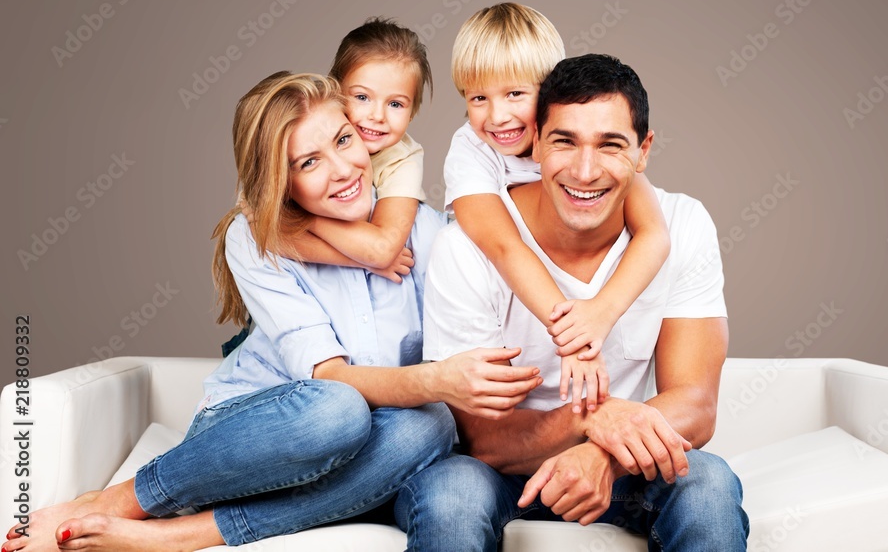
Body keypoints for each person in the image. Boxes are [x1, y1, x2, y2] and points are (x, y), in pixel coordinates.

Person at [4, 72, 542, 552]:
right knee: (339, 409)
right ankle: (122, 501)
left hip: (389, 453)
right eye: (309, 163)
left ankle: (194, 533)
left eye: (343, 140)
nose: (343, 170)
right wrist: (438, 379)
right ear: (280, 181)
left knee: (439, 441)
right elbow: (333, 380)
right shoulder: (258, 239)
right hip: (267, 438)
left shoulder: (429, 233)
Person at [396, 55, 749, 551]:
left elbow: (696, 404)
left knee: (706, 484)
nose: (585, 171)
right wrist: (585, 419)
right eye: (564, 141)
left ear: (643, 151)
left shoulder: (683, 224)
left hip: (623, 467)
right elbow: (482, 441)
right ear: (535, 142)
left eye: (611, 145)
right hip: (504, 474)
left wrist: (602, 453)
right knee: (451, 490)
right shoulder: (465, 246)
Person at [444, 3, 672, 413]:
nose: (497, 116)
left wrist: (600, 314)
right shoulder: (471, 150)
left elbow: (654, 235)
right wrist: (573, 339)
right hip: (492, 295)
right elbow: (504, 247)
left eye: (515, 94)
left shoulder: (587, 141)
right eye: (478, 97)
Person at [256, 17, 434, 281]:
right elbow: (267, 234)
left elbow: (383, 250)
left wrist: (306, 219)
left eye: (395, 104)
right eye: (362, 97)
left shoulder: (403, 159)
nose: (377, 116)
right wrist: (363, 263)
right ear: (335, 91)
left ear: (412, 113)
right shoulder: (300, 132)